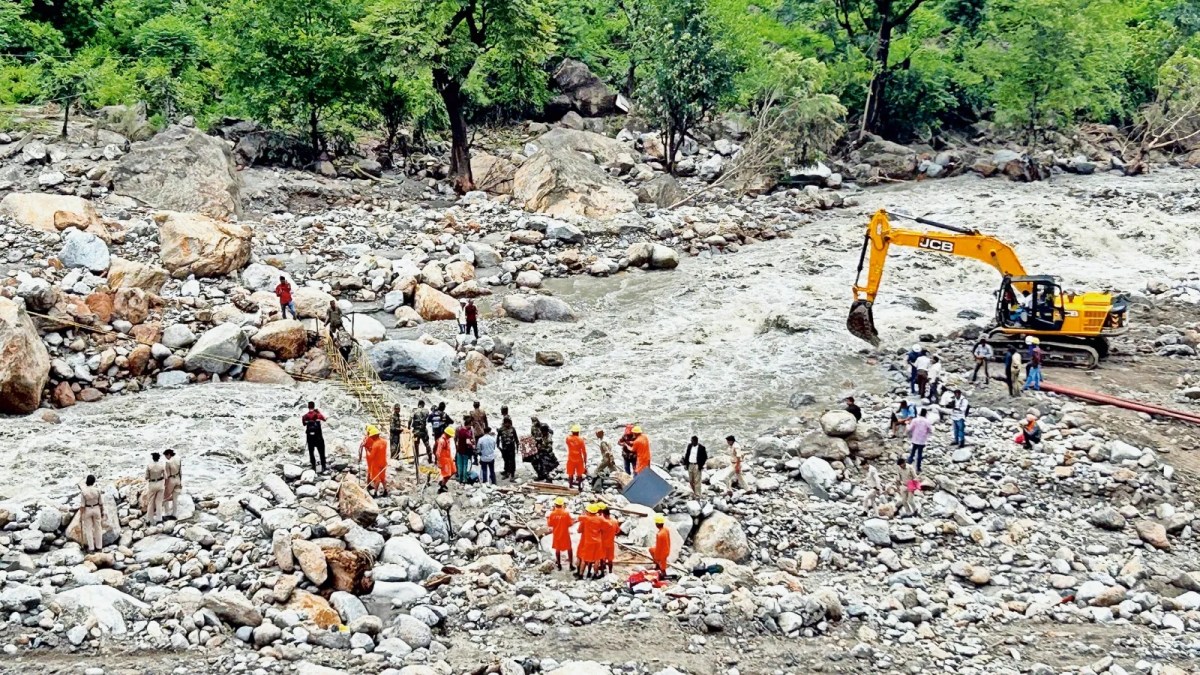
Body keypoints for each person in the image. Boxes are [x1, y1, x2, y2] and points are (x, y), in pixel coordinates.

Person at [358, 425, 389, 497]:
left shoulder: (375, 445)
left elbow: (371, 456)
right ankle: (385, 491)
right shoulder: (384, 442)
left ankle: (375, 493)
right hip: (383, 462)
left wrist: (367, 450)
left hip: (376, 464)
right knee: (383, 478)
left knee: (376, 479)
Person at [546, 498, 575, 571]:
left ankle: (559, 565)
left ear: (555, 504)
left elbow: (550, 524)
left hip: (556, 534)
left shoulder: (552, 514)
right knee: (569, 548)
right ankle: (571, 565)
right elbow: (570, 524)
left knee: (557, 549)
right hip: (565, 534)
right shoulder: (566, 513)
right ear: (562, 505)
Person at [78, 475, 105, 552]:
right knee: (98, 528)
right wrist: (102, 511)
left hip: (87, 509)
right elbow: (101, 503)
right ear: (93, 481)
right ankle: (99, 547)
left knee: (88, 529)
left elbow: (82, 505)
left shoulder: (83, 492)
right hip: (96, 508)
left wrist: (81, 515)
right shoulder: (97, 490)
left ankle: (91, 548)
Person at [575, 503, 603, 580]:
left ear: (589, 512)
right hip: (598, 542)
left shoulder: (585, 519)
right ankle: (595, 575)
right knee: (597, 559)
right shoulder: (600, 519)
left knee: (584, 559)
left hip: (588, 542)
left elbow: (579, 529)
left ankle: (580, 575)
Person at [301, 401, 328, 473]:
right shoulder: (318, 414)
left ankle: (313, 467)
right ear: (314, 406)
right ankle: (323, 467)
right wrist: (319, 411)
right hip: (318, 436)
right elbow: (325, 419)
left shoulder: (305, 416)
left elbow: (304, 424)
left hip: (310, 438)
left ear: (308, 407)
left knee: (311, 452)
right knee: (321, 451)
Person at [906, 409, 933, 473]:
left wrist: (907, 424)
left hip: (915, 438)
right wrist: (927, 433)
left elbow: (910, 428)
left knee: (913, 451)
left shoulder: (915, 420)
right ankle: (918, 468)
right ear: (926, 414)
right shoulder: (927, 421)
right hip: (922, 440)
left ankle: (909, 463)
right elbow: (930, 430)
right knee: (920, 454)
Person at [144, 452, 166, 525]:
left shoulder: (149, 466)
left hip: (152, 484)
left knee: (151, 502)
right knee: (159, 502)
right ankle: (159, 519)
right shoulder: (162, 465)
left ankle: (149, 519)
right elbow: (166, 476)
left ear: (152, 458)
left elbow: (146, 477)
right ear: (159, 458)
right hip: (160, 484)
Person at [565, 424, 588, 489]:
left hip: (571, 458)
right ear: (578, 432)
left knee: (570, 473)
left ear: (572, 432)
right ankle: (579, 486)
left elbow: (567, 439)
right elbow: (584, 451)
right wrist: (585, 461)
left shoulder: (568, 439)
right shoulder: (581, 440)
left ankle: (570, 485)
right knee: (579, 473)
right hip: (579, 459)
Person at [454, 416, 475, 483]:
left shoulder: (460, 430)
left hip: (459, 450)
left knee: (460, 465)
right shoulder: (466, 433)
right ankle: (464, 479)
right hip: (465, 451)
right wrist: (473, 446)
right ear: (468, 424)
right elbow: (468, 442)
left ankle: (460, 479)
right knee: (465, 465)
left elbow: (456, 440)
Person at [498, 416, 519, 480]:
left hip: (511, 448)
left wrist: (517, 446)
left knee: (512, 461)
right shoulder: (501, 429)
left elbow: (516, 438)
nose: (507, 424)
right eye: (505, 423)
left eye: (508, 423)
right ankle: (506, 473)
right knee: (506, 460)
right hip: (504, 448)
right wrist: (499, 447)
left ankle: (512, 474)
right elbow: (498, 438)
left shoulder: (513, 429)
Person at [599, 505, 618, 576]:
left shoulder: (602, 522)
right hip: (611, 543)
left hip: (603, 543)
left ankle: (602, 571)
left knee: (602, 557)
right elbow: (617, 531)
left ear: (603, 514)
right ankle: (610, 571)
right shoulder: (615, 521)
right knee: (610, 559)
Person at [164, 449, 182, 519]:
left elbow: (167, 475)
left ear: (168, 454)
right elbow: (180, 471)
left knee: (166, 496)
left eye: (166, 456)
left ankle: (167, 512)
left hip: (171, 480)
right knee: (175, 498)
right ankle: (174, 513)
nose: (166, 457)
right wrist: (180, 481)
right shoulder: (179, 459)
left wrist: (165, 484)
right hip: (178, 478)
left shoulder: (168, 462)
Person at [436, 428, 456, 493]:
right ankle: (442, 487)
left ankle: (442, 482)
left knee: (453, 471)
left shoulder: (447, 439)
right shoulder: (441, 441)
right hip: (443, 460)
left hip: (448, 458)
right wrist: (439, 462)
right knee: (447, 474)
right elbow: (438, 453)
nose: (451, 437)